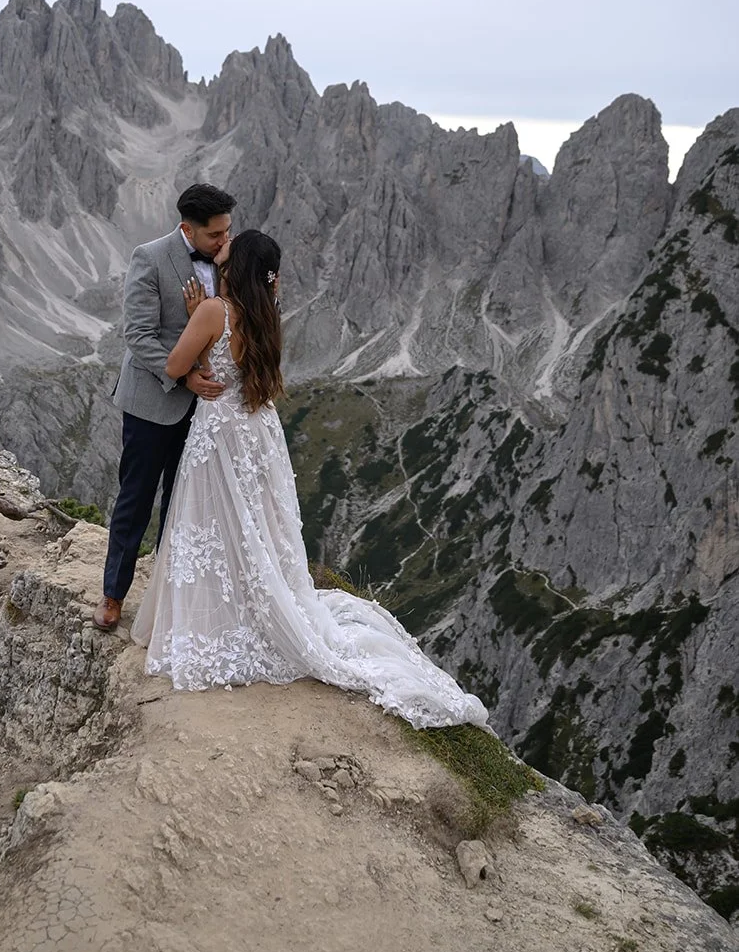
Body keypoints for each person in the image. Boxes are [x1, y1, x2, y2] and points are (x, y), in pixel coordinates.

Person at [131, 229, 489, 728]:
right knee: (255, 525)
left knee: (214, 523)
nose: (218, 258)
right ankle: (256, 606)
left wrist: (194, 333)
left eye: (226, 255)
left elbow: (174, 365)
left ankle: (222, 616)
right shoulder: (265, 312)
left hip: (220, 431)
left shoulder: (215, 309)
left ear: (237, 268)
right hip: (258, 430)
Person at [95, 183, 238, 632]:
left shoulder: (227, 260)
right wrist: (185, 374)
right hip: (151, 403)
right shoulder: (150, 258)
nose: (223, 241)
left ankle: (170, 604)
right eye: (216, 235)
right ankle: (113, 596)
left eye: (227, 231)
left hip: (204, 409)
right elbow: (138, 335)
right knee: (136, 499)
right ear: (187, 230)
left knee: (185, 503)